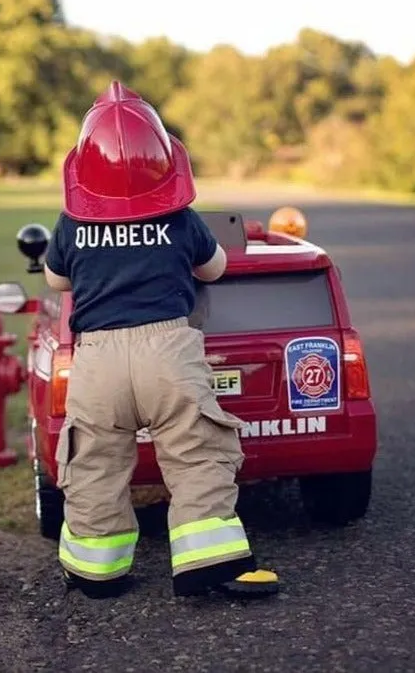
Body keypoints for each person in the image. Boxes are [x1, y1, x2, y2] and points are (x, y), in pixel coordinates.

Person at [43, 80, 279, 599]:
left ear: (83, 169)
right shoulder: (180, 218)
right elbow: (213, 268)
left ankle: (95, 569)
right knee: (197, 451)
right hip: (167, 352)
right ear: (166, 163)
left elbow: (56, 280)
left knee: (95, 461)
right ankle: (209, 561)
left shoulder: (72, 224)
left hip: (98, 359)